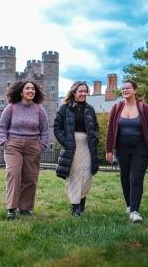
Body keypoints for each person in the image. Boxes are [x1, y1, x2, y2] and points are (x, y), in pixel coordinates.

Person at [105, 80, 148, 223]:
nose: (125, 90)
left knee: (136, 178)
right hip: (122, 149)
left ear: (135, 90)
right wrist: (109, 149)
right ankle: (129, 205)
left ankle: (135, 211)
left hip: (140, 149)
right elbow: (110, 130)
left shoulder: (143, 107)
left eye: (128, 88)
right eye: (123, 88)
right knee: (125, 178)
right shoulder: (116, 107)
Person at [0, 80, 49, 219]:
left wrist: (41, 145)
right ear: (21, 92)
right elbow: (2, 127)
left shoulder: (39, 109)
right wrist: (4, 142)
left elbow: (45, 130)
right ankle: (11, 208)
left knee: (31, 177)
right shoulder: (11, 107)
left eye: (33, 89)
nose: (31, 91)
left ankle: (25, 208)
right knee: (13, 174)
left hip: (33, 146)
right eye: (27, 88)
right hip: (13, 145)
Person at [54, 81, 100, 217]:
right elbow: (57, 127)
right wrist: (65, 142)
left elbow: (96, 127)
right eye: (81, 91)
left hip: (87, 146)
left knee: (86, 175)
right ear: (74, 92)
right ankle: (75, 208)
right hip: (71, 147)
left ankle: (81, 204)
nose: (83, 94)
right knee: (74, 175)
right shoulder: (64, 108)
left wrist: (94, 138)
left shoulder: (90, 109)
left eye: (85, 91)